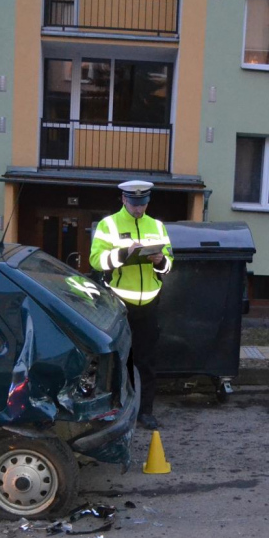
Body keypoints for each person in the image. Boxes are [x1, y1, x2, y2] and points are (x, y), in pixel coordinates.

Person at [90, 180, 174, 430]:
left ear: (148, 201)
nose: (139, 209)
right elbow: (96, 261)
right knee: (119, 360)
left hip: (149, 302)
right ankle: (117, 409)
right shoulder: (109, 225)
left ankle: (145, 411)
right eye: (134, 204)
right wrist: (122, 255)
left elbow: (169, 265)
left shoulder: (157, 226)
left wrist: (160, 260)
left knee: (147, 360)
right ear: (124, 200)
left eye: (143, 204)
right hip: (119, 302)